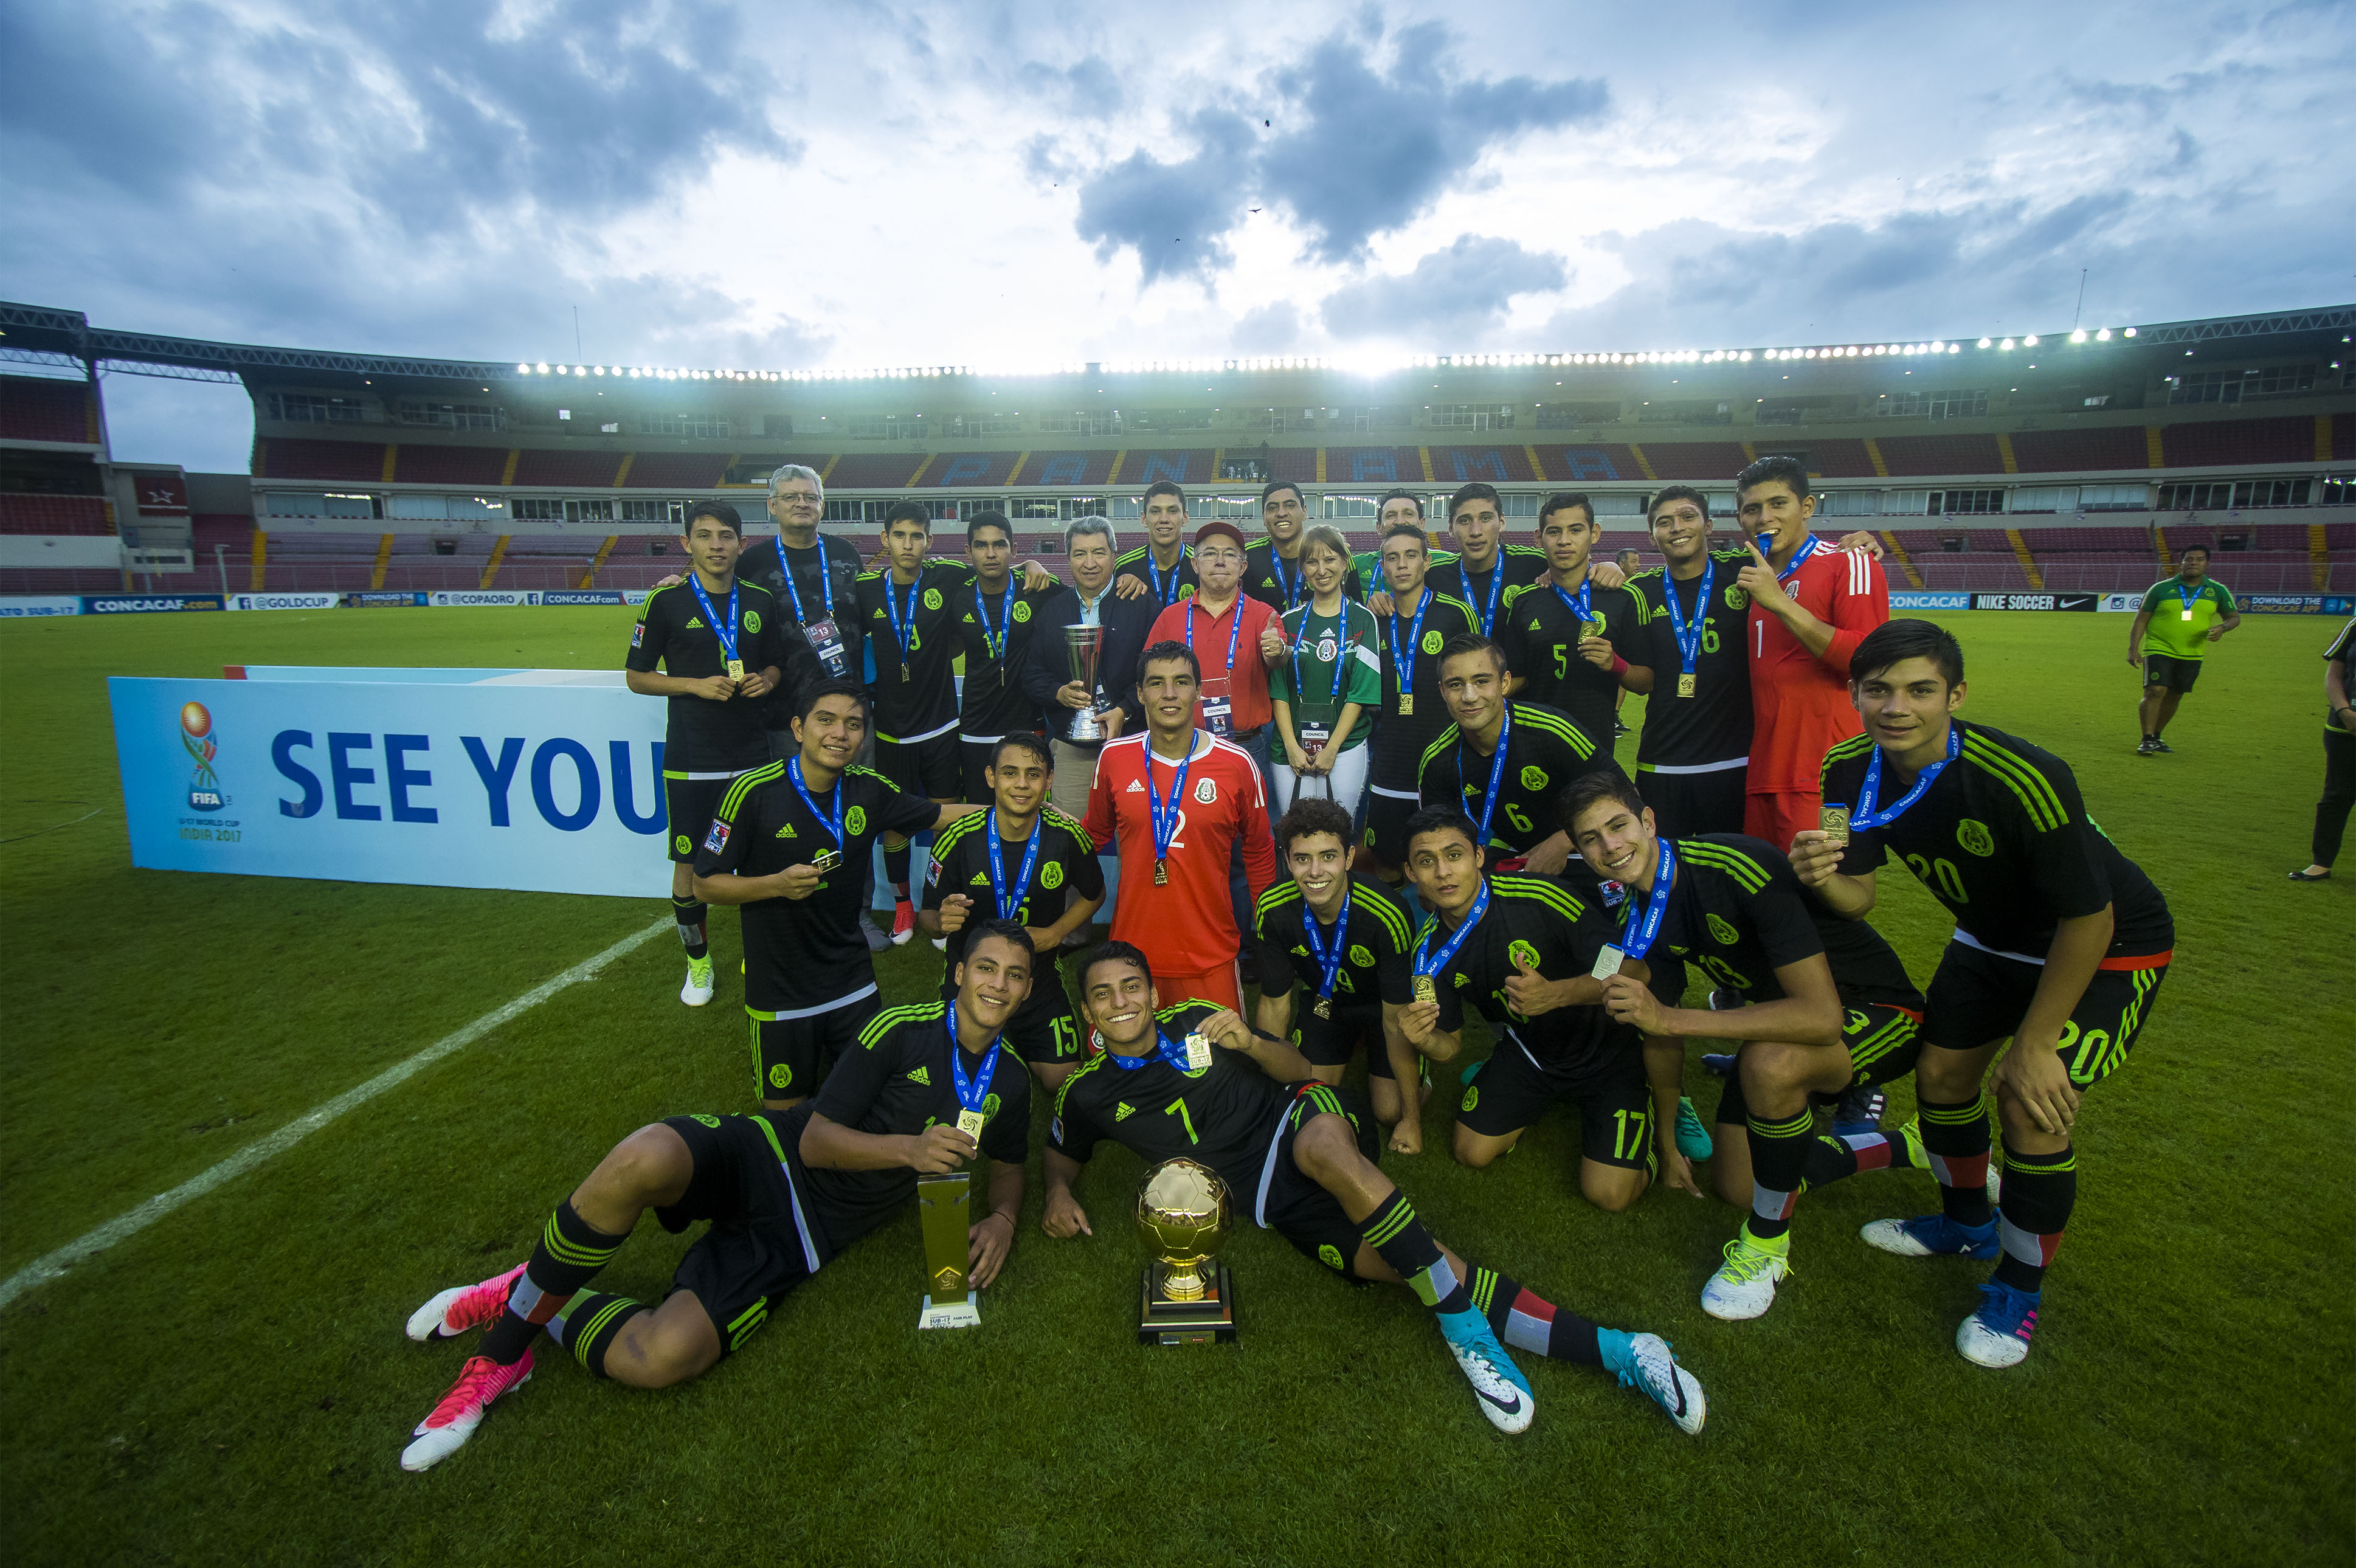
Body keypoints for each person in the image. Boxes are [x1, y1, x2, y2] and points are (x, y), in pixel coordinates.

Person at [396, 921, 1038, 1471]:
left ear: (1027, 989)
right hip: (771, 1153)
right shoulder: (899, 1028)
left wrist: (1005, 1215)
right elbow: (814, 1140)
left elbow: (1008, 1165)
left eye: (1014, 974)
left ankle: (530, 1289)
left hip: (804, 1235)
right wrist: (908, 1149)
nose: (997, 984)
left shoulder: (1009, 1077)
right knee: (645, 1155)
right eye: (985, 967)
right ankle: (501, 1354)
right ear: (957, 971)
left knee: (658, 1356)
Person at [1044, 941, 1707, 1437]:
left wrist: (1247, 1037)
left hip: (1302, 1115)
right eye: (1103, 994)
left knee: (1321, 1147)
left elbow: (1299, 1066)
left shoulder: (1198, 1016)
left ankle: (1462, 1332)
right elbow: (1060, 1150)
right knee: (1421, 1263)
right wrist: (1056, 1192)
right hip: (1270, 1202)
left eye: (1131, 986)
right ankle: (1625, 1349)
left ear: (1153, 992)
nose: (1121, 1001)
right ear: (1087, 1010)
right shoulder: (1086, 1092)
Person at [1792, 619, 2174, 1369]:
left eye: (1919, 690)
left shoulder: (2023, 774)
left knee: (2030, 1104)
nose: (1895, 706)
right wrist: (1818, 872)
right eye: (1877, 690)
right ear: (1854, 693)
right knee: (1939, 1079)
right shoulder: (1843, 767)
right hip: (1988, 936)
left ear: (1955, 694)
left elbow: (2087, 914)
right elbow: (1856, 891)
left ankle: (2017, 1287)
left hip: (2107, 944)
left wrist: (2033, 1043)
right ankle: (1966, 1219)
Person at [1563, 771, 1932, 1322]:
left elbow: (1820, 1016)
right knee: (1740, 1183)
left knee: (1770, 1064)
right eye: (1590, 839)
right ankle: (1905, 1146)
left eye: (1618, 826)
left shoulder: (1734, 865)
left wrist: (1671, 1018)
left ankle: (1763, 1248)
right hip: (1775, 1024)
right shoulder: (1634, 908)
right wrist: (1666, 1144)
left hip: (1878, 1009)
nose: (1609, 847)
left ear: (1648, 821)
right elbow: (1654, 1032)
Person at [693, 681, 983, 1105]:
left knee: (863, 1101)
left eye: (853, 724)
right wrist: (774, 884)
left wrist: (1016, 809)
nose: (839, 734)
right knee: (787, 1121)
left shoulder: (869, 788)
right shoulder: (753, 792)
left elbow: (941, 815)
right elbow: (704, 882)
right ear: (797, 728)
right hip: (780, 989)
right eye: (825, 720)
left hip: (852, 980)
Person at [1394, 810, 1667, 1214]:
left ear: (1479, 857)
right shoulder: (1425, 956)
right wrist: (1423, 1039)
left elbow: (1632, 969)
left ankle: (1644, 1138)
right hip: (1531, 1054)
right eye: (1426, 860)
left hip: (1607, 1052)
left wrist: (1555, 994)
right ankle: (1540, 1098)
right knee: (1471, 1152)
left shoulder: (1539, 895)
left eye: (1454, 855)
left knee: (1609, 1195)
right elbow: (1449, 1046)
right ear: (1410, 872)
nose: (1443, 872)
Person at [855, 502, 1054, 945]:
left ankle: (943, 905)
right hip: (891, 730)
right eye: (900, 535)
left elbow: (997, 568)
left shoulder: (946, 578)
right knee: (894, 826)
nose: (909, 544)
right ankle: (904, 909)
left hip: (944, 727)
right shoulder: (865, 589)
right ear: (884, 539)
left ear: (929, 541)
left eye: (918, 536)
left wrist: (1031, 562)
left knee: (948, 820)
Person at [623, 500, 791, 1007]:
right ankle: (698, 962)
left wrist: (768, 678)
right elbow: (636, 676)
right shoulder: (666, 602)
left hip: (753, 755)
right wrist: (694, 685)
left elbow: (777, 664)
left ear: (741, 543)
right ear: (686, 544)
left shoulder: (760, 600)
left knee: (758, 861)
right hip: (692, 756)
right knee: (689, 864)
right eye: (705, 536)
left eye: (725, 536)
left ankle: (758, 951)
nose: (716, 545)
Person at [1082, 641, 1277, 1014]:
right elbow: (1091, 837)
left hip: (1210, 955)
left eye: (1182, 682)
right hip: (1131, 955)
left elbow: (1258, 849)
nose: (1169, 695)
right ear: (1140, 694)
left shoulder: (1237, 764)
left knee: (1211, 1068)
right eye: (1156, 683)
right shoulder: (1114, 758)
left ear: (1199, 691)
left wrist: (1266, 926)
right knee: (1130, 1067)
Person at [921, 734, 1105, 1089]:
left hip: (1038, 981)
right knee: (945, 1079)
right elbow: (927, 918)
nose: (1021, 784)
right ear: (991, 777)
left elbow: (1095, 894)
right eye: (1010, 773)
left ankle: (1014, 1037)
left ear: (1049, 781)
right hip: (971, 981)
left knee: (1064, 1082)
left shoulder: (1067, 836)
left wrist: (1055, 933)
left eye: (1034, 774)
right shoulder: (957, 837)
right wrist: (940, 922)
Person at [1732, 455, 1890, 855]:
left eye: (1777, 503)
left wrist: (1779, 602)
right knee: (1768, 892)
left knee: (1829, 888)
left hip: (1827, 778)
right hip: (1764, 775)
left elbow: (1868, 662)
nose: (1763, 517)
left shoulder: (1849, 561)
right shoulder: (1752, 575)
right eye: (1752, 509)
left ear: (1806, 507)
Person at [1251, 799, 1426, 1150]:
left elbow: (1395, 1018)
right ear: (1288, 860)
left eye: (1328, 857)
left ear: (1348, 858)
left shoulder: (1386, 913)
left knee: (1389, 1111)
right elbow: (1273, 1005)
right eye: (1303, 859)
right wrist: (1263, 1097)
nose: (1315, 872)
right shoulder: (1272, 909)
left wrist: (1412, 1120)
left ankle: (1418, 1081)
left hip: (1381, 1011)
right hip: (1325, 1007)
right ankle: (1347, 1043)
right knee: (1310, 1097)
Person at [1612, 487, 1754, 838]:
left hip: (1735, 761)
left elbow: (1803, 558)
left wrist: (1853, 545)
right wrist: (1604, 567)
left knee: (1730, 873)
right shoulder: (1639, 592)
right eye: (1665, 522)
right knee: (1665, 872)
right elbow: (1643, 679)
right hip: (1663, 761)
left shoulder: (1744, 572)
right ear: (1652, 536)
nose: (1677, 527)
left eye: (1687, 517)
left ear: (1708, 525)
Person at [1416, 635, 1597, 875]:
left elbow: (1622, 796)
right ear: (1442, 691)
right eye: (1456, 685)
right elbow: (1438, 842)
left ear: (1505, 683)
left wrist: (1562, 841)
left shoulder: (1552, 729)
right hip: (1509, 861)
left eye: (1481, 681)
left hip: (1583, 852)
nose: (1469, 697)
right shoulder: (1437, 761)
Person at [1361, 520, 1478, 890]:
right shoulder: (1371, 618)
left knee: (1443, 864)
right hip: (1389, 763)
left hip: (1443, 761)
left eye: (1411, 555)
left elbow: (1474, 681)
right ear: (1383, 566)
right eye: (1392, 558)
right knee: (1389, 865)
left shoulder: (1455, 614)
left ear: (1427, 562)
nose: (1402, 565)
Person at [1025, 514, 1161, 823]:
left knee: (1138, 838)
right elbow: (1032, 674)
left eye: (1099, 553)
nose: (1090, 563)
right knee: (1071, 840)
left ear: (1114, 557)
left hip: (1133, 743)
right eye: (1080, 553)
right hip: (1072, 749)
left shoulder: (1141, 604)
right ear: (1068, 558)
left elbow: (1155, 674)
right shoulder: (1051, 611)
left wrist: (1125, 710)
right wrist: (1058, 693)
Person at [1499, 491, 1640, 747]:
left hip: (1596, 747)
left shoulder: (1623, 597)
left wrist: (1614, 664)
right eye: (1554, 532)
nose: (1564, 541)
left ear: (1594, 534)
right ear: (1538, 538)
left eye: (1576, 530)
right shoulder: (1525, 602)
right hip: (1535, 745)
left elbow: (1646, 682)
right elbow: (1519, 675)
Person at [948, 509, 1062, 801]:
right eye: (981, 545)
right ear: (968, 551)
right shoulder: (957, 596)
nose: (990, 553)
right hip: (975, 727)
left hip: (1028, 726)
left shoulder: (1036, 589)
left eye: (999, 545)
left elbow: (1086, 593)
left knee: (1027, 813)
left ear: (1013, 549)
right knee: (978, 817)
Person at [1270, 525, 1382, 818]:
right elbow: (1279, 689)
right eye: (1312, 562)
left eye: (1330, 559)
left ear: (1345, 563)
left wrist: (1332, 749)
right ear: (1303, 569)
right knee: (1295, 834)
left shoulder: (1363, 620)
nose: (1322, 570)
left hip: (1344, 749)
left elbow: (1360, 692)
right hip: (1291, 751)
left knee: (1339, 832)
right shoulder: (1289, 622)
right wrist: (1292, 746)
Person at [2128, 545, 2240, 755]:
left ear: (2207, 564)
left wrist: (2222, 628)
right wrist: (2133, 649)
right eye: (2189, 559)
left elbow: (2234, 618)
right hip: (2158, 647)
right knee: (2155, 690)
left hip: (2192, 652)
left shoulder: (2217, 591)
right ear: (2181, 563)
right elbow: (2141, 620)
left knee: (2175, 695)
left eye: (2199, 559)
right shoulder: (2160, 589)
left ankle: (2157, 736)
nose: (2193, 563)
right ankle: (2146, 739)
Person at [1425, 482, 1549, 638]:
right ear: (1450, 528)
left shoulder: (1536, 564)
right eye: (1464, 521)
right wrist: (1383, 598)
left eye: (1485, 518)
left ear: (1501, 523)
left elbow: (1577, 569)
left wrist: (1589, 570)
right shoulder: (1432, 575)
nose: (1475, 531)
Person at [2290, 613, 2356, 880]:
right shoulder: (2355, 625)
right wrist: (2345, 711)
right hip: (2344, 728)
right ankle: (2321, 863)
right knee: (2336, 797)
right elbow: (2334, 675)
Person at [1245, 480, 1363, 612]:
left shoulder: (1336, 554)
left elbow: (1356, 610)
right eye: (1272, 508)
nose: (1281, 513)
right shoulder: (1248, 556)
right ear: (1264, 517)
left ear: (1304, 512)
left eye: (1290, 505)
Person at [1112, 480, 1200, 609]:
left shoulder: (1201, 565)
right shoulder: (1123, 567)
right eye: (1155, 511)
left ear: (1185, 518)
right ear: (1144, 519)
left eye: (1172, 511)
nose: (1164, 519)